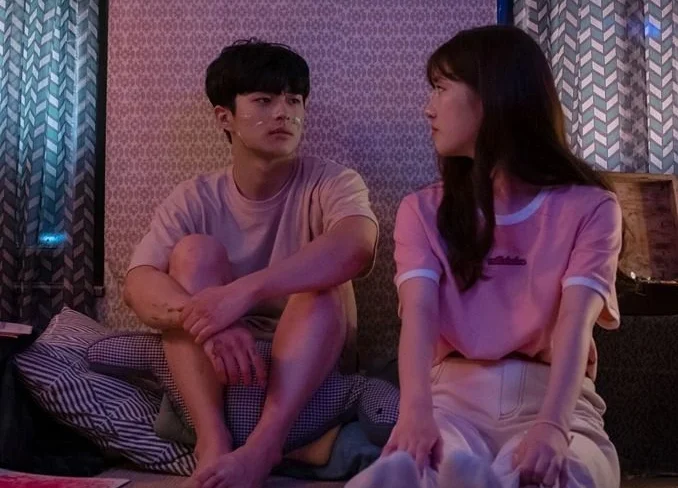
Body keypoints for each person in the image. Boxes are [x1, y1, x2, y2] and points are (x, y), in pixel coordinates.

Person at [347, 25, 621, 488]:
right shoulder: (423, 210)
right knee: (426, 463)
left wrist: (553, 426)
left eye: (440, 88)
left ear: (492, 96)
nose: (428, 107)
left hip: (552, 396)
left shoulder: (591, 207)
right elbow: (419, 315)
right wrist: (414, 413)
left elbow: (575, 321)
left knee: (568, 470)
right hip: (454, 396)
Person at [123, 39, 378, 488]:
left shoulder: (333, 181)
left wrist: (242, 293)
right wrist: (212, 320)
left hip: (311, 352)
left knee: (323, 281)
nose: (284, 113)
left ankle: (264, 446)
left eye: (294, 101)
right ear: (225, 117)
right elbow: (138, 285)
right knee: (193, 253)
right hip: (215, 358)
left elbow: (356, 248)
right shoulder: (194, 196)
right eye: (264, 100)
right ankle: (212, 442)